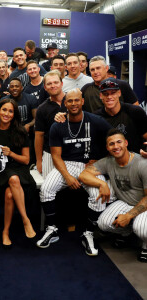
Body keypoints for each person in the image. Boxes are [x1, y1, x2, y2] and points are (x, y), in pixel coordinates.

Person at [37, 88, 114, 256]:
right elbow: (56, 156)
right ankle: (52, 229)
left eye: (76, 100)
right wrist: (67, 177)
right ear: (65, 103)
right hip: (67, 164)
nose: (73, 104)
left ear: (82, 101)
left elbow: (114, 141)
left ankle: (88, 233)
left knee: (98, 196)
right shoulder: (58, 125)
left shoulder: (96, 121)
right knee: (46, 189)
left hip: (91, 167)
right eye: (70, 101)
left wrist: (100, 159)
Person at [79, 129, 147, 262]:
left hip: (144, 204)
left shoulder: (142, 163)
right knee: (103, 223)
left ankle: (145, 245)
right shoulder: (108, 161)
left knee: (141, 228)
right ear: (107, 147)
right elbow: (83, 175)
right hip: (126, 202)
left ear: (126, 143)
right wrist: (102, 184)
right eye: (111, 144)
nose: (116, 146)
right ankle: (127, 234)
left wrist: (128, 216)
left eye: (119, 142)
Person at [0, 99, 36, 248]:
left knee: (10, 194)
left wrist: (11, 153)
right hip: (0, 170)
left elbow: (26, 160)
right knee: (13, 179)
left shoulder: (20, 131)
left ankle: (5, 231)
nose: (6, 113)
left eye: (10, 111)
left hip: (19, 167)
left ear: (14, 114)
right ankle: (26, 220)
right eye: (4, 110)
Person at [95, 78, 147, 156]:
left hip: (136, 159)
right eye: (105, 94)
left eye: (113, 93)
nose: (109, 97)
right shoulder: (96, 118)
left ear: (119, 93)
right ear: (100, 96)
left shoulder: (135, 112)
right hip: (109, 161)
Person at [35, 70, 66, 178]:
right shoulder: (42, 109)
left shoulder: (73, 101)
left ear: (61, 84)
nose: (53, 86)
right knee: (48, 186)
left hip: (72, 150)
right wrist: (39, 160)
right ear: (45, 87)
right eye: (49, 83)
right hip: (49, 153)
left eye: (56, 82)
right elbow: (39, 135)